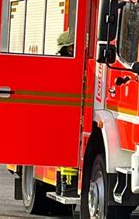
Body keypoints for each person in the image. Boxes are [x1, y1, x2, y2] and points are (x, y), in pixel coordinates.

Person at [56, 30, 78, 196]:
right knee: (68, 153)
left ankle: (65, 186)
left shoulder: (61, 61)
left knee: (64, 151)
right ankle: (67, 186)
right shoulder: (69, 64)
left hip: (65, 113)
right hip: (69, 113)